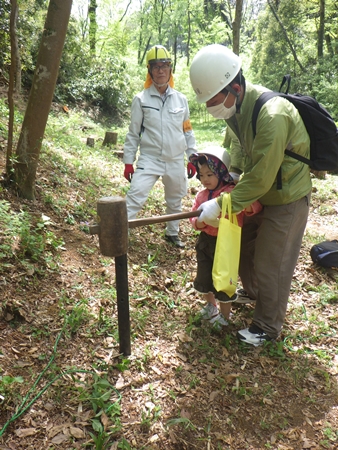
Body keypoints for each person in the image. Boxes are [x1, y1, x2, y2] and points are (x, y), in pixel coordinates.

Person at [189, 44, 312, 346]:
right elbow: (236, 149)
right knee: (242, 249)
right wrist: (226, 178)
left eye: (212, 100)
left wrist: (220, 203)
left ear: (233, 86)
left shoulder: (272, 115)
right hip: (256, 198)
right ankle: (256, 295)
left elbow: (261, 177)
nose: (210, 108)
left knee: (273, 262)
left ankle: (267, 327)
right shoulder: (235, 109)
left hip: (286, 198)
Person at [123, 45, 197, 248]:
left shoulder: (181, 100)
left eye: (164, 65)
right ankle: (120, 232)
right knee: (135, 195)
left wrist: (193, 157)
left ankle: (172, 233)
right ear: (150, 70)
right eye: (156, 66)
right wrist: (128, 162)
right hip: (150, 158)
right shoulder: (141, 99)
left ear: (170, 69)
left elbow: (187, 131)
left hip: (175, 159)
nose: (161, 70)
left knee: (175, 200)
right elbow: (133, 133)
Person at [189, 146, 262, 330]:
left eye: (209, 174)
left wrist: (243, 207)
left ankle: (224, 315)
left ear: (221, 172)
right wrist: (200, 222)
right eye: (201, 175)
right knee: (204, 276)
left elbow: (254, 206)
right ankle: (211, 306)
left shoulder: (232, 192)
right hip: (206, 242)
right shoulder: (201, 195)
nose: (205, 179)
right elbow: (193, 216)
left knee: (224, 280)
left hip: (227, 243)